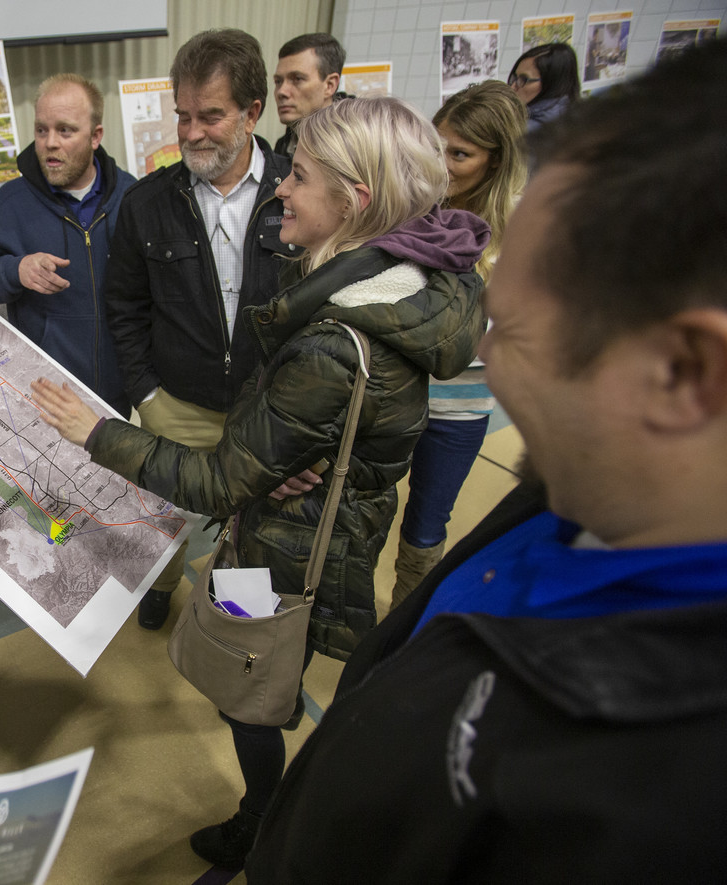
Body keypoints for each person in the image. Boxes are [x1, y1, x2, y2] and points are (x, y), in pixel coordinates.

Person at [244, 39, 727, 883]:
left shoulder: (640, 814)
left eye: (515, 328)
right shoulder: (570, 495)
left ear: (682, 374)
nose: (485, 359)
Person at [34, 96, 487, 868]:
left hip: (280, 557)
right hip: (312, 530)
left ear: (356, 199)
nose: (282, 188)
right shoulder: (404, 289)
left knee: (248, 689)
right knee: (253, 670)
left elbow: (217, 483)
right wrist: (290, 449)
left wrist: (96, 432)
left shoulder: (332, 347)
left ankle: (261, 817)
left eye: (299, 176)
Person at [105, 28, 299, 630]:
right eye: (182, 116)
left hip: (268, 409)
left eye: (210, 116)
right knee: (166, 517)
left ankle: (238, 627)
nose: (190, 133)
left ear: (252, 113)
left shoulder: (299, 192)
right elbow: (124, 306)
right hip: (176, 405)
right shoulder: (146, 203)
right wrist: (146, 395)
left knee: (255, 527)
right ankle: (160, 587)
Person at [392, 81, 528, 605]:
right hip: (393, 393)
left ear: (496, 161)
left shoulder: (520, 229)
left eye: (461, 154)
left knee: (426, 526)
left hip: (460, 407)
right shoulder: (412, 205)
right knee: (360, 510)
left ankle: (405, 621)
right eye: (437, 146)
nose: (442, 164)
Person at [0, 73, 135, 416]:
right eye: (42, 130)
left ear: (96, 136)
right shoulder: (11, 203)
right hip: (44, 396)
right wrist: (16, 270)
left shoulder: (132, 197)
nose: (50, 143)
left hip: (118, 393)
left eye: (65, 131)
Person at [271, 33, 349, 161]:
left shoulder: (355, 150)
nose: (281, 92)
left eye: (297, 79)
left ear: (330, 85)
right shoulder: (284, 146)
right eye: (278, 81)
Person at [507, 42, 581, 131]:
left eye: (523, 79)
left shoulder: (524, 131)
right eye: (515, 77)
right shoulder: (572, 114)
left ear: (551, 84)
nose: (512, 87)